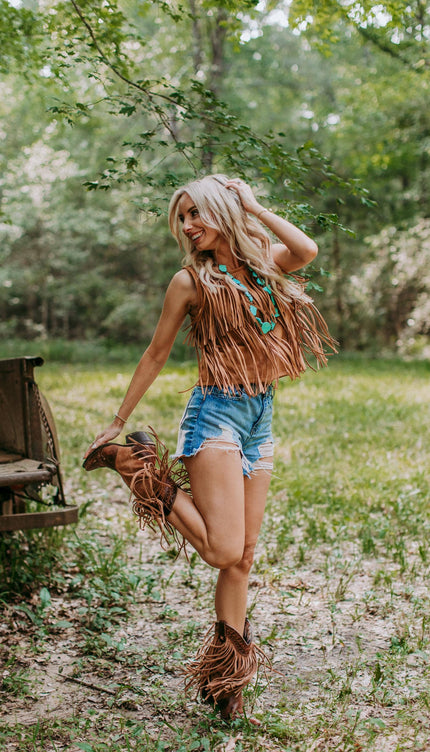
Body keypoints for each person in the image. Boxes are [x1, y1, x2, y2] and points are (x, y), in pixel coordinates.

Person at [83, 175, 336, 721]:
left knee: (241, 559)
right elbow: (155, 355)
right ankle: (135, 465)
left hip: (259, 417)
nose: (189, 225)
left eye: (197, 213)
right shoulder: (189, 282)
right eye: (183, 218)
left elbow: (306, 250)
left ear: (224, 209)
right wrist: (117, 421)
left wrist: (252, 205)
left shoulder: (265, 263)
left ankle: (227, 680)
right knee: (222, 550)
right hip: (215, 414)